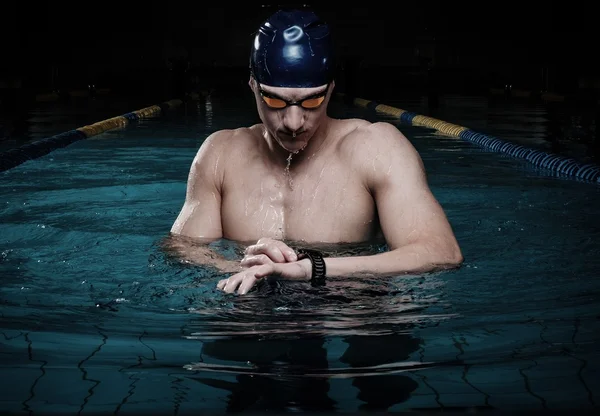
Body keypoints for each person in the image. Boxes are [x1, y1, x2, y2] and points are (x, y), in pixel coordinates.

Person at [168, 8, 463, 295]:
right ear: (253, 86)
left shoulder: (376, 148)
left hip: (348, 307)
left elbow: (440, 251)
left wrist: (312, 269)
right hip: (248, 313)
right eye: (274, 101)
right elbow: (182, 248)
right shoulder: (221, 153)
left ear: (331, 89)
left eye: (311, 103)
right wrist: (247, 267)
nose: (294, 123)